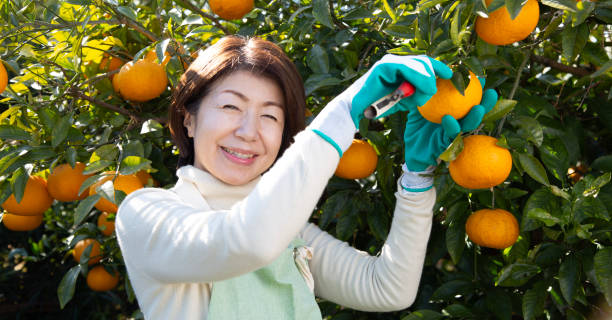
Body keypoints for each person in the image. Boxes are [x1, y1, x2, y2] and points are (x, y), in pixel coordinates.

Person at [115, 35, 497, 319]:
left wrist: (418, 175)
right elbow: (245, 241)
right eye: (231, 106)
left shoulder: (290, 234)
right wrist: (345, 111)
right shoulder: (148, 213)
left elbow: (387, 288)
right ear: (189, 118)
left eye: (270, 116)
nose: (249, 132)